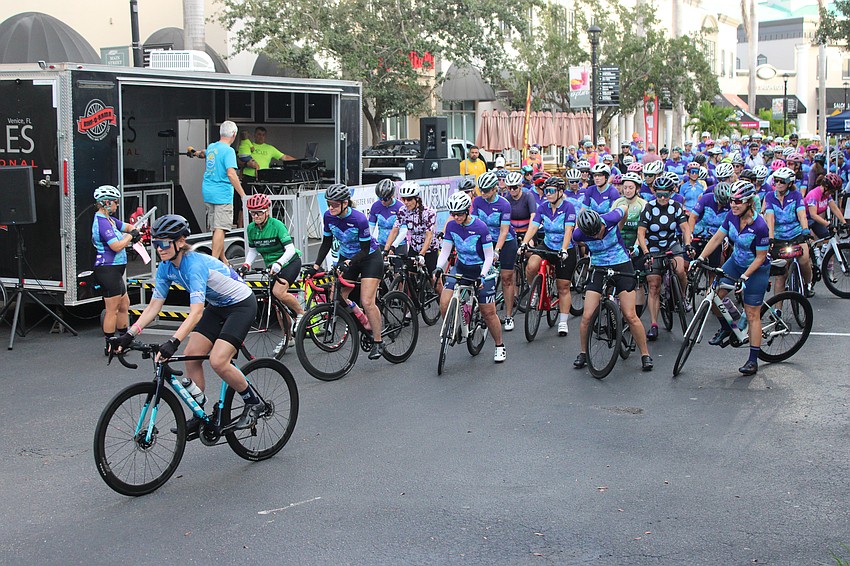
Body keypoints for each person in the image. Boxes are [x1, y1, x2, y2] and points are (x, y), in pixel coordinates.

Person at [112, 215, 263, 437]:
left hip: (241, 304)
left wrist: (173, 341)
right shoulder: (165, 267)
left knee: (218, 361)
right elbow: (154, 306)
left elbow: (196, 312)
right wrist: (130, 334)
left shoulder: (194, 265)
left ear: (180, 241)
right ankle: (199, 412)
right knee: (192, 354)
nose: (159, 248)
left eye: (164, 243)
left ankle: (253, 402)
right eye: (155, 243)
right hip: (218, 305)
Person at [691, 181, 771, 375]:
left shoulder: (760, 226)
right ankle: (728, 327)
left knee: (752, 314)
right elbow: (717, 238)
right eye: (732, 201)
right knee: (714, 296)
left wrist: (744, 277)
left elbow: (760, 258)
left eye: (738, 201)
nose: (733, 205)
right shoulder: (731, 216)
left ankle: (753, 360)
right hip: (735, 262)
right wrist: (700, 258)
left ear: (749, 203)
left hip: (756, 269)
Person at [572, 207, 653, 371]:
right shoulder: (579, 234)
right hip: (599, 267)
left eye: (598, 232)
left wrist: (620, 226)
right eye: (591, 235)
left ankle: (645, 354)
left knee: (630, 315)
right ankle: (583, 353)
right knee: (587, 316)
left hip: (622, 264)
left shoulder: (609, 219)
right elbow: (579, 242)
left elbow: (624, 208)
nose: (596, 236)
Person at [309, 184, 385, 359]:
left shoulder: (359, 219)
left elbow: (365, 250)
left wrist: (349, 262)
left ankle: (378, 342)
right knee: (337, 297)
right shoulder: (329, 217)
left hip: (369, 258)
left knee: (367, 301)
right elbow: (326, 243)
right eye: (328, 204)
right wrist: (315, 266)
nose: (330, 208)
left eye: (334, 204)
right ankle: (362, 320)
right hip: (347, 258)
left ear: (345, 203)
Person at [433, 191, 506, 362]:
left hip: (482, 270)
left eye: (459, 213)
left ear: (467, 211)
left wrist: (482, 275)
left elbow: (489, 256)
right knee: (444, 302)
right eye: (453, 214)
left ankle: (499, 345)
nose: (456, 217)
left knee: (488, 313)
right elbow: (445, 250)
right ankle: (451, 327)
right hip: (461, 268)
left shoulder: (480, 227)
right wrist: (438, 267)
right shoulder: (451, 226)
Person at [239, 193, 305, 355]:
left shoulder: (277, 225)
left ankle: (301, 314)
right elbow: (253, 249)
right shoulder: (251, 229)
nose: (256, 216)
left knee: (278, 292)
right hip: (272, 266)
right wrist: (247, 264)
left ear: (267, 211)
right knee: (276, 304)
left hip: (289, 262)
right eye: (253, 213)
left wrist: (279, 263)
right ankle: (287, 337)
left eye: (259, 212)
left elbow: (289, 249)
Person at [519, 176, 578, 336]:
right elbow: (534, 226)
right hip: (548, 244)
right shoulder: (543, 207)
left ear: (560, 192)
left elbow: (568, 231)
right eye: (546, 191)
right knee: (531, 265)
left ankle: (563, 321)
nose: (548, 194)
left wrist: (564, 249)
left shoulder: (569, 207)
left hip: (565, 249)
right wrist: (525, 243)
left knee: (563, 287)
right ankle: (536, 292)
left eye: (551, 191)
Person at [636, 175, 693, 341]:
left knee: (681, 269)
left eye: (665, 195)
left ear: (671, 193)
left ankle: (682, 297)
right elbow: (641, 232)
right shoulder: (648, 208)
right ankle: (654, 324)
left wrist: (687, 244)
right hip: (652, 246)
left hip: (670, 244)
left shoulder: (675, 206)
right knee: (654, 285)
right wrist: (645, 251)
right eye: (658, 194)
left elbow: (684, 227)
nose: (662, 198)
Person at [92, 185, 140, 355]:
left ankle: (124, 339)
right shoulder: (102, 222)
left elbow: (126, 226)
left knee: (124, 304)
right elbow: (116, 246)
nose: (117, 205)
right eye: (115, 202)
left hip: (115, 270)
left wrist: (133, 229)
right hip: (107, 269)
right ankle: (111, 345)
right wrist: (130, 237)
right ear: (105, 203)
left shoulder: (110, 220)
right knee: (112, 308)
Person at [472, 171, 519, 332]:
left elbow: (504, 230)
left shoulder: (504, 204)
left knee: (506, 278)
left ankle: (508, 315)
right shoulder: (477, 201)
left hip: (505, 242)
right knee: (480, 275)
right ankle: (483, 309)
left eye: (486, 190)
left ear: (494, 189)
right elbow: (473, 224)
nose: (483, 193)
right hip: (485, 241)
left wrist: (497, 251)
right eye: (481, 190)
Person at [200, 121, 247, 264]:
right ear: (234, 134)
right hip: (222, 194)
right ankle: (214, 263)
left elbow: (203, 153)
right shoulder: (229, 151)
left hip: (208, 191)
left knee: (216, 227)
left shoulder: (212, 147)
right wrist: (243, 195)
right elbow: (231, 174)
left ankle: (223, 259)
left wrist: (195, 153)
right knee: (221, 228)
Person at [763, 167, 813, 297]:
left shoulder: (796, 195)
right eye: (776, 181)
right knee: (780, 276)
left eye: (782, 181)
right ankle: (777, 312)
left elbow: (802, 215)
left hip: (796, 234)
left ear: (790, 184)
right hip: (779, 237)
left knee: (804, 260)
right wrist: (771, 237)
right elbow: (770, 218)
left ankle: (808, 284)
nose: (778, 184)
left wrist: (806, 230)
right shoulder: (769, 197)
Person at [384, 180, 440, 275]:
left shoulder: (429, 212)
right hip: (414, 247)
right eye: (403, 199)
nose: (406, 202)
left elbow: (429, 235)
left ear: (417, 198)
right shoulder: (403, 211)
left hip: (429, 249)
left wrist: (422, 254)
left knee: (434, 279)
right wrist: (386, 249)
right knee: (410, 275)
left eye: (409, 199)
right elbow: (395, 230)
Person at [805, 172, 848, 240]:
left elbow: (834, 208)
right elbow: (813, 215)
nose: (833, 193)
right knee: (807, 242)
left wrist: (844, 222)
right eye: (832, 191)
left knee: (827, 238)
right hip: (805, 220)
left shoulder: (827, 195)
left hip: (815, 220)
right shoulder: (813, 195)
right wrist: (828, 224)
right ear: (826, 187)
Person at [369, 178, 406, 251]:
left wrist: (393, 246)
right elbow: (370, 228)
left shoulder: (400, 207)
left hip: (398, 244)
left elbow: (403, 231)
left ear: (392, 196)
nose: (382, 201)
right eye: (380, 198)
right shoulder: (375, 206)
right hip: (381, 244)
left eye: (385, 199)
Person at [505, 170, 537, 243]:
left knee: (527, 249)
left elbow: (533, 216)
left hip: (528, 231)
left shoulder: (528, 196)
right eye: (509, 188)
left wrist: (527, 237)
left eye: (515, 187)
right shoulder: (507, 199)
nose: (512, 190)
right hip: (512, 233)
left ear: (520, 186)